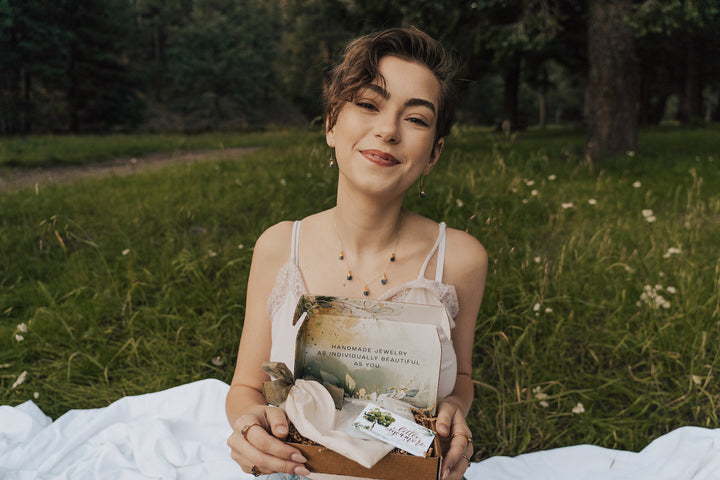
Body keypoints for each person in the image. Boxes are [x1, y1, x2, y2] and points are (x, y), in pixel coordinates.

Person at [225, 27, 488, 480]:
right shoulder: (279, 247)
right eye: (368, 104)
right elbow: (246, 387)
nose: (387, 130)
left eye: (417, 119)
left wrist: (453, 409)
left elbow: (461, 381)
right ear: (331, 124)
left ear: (434, 154)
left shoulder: (460, 259)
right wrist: (250, 426)